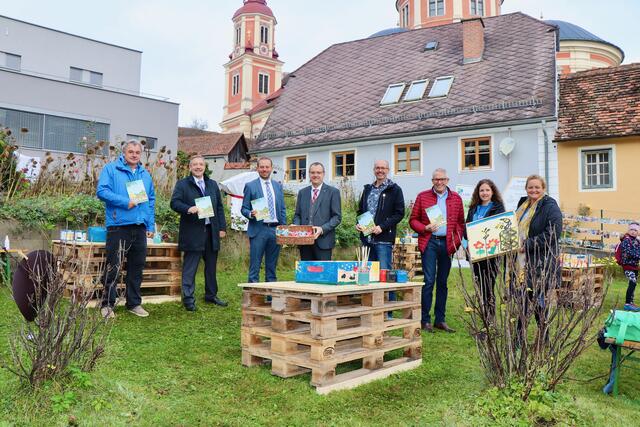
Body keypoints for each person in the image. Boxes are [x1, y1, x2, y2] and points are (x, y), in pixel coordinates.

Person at [96, 140, 155, 319]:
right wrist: (124, 202)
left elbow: (150, 201)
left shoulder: (145, 174)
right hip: (118, 225)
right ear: (124, 153)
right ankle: (107, 305)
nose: (134, 154)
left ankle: (134, 303)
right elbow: (102, 191)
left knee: (137, 267)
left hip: (139, 227)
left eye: (138, 152)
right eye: (131, 151)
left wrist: (150, 225)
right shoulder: (111, 169)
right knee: (114, 266)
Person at [409, 168, 465, 333]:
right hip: (430, 242)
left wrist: (455, 241)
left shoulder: (456, 198)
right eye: (436, 179)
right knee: (428, 281)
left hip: (447, 244)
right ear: (432, 181)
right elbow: (412, 220)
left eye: (442, 179)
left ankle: (440, 320)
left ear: (447, 180)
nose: (439, 182)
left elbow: (460, 223)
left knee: (442, 282)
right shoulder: (423, 196)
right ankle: (424, 320)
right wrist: (425, 227)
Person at [170, 155, 227, 311]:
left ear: (204, 167)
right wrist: (188, 208)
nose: (198, 167)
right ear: (190, 167)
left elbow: (220, 208)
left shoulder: (212, 184)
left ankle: (211, 295)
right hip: (193, 231)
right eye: (195, 164)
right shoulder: (183, 184)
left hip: (211, 231)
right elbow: (174, 203)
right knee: (190, 267)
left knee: (211, 267)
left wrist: (222, 228)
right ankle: (188, 298)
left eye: (201, 164)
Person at [514, 174, 562, 343]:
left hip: (541, 262)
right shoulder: (523, 204)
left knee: (534, 299)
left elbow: (553, 234)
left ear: (543, 188)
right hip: (521, 261)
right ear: (526, 188)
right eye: (530, 187)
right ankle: (533, 337)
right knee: (525, 298)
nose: (533, 190)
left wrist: (527, 244)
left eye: (537, 187)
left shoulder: (550, 205)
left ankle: (527, 338)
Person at [356, 160, 405, 309]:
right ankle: (371, 308)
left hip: (383, 239)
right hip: (367, 239)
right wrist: (358, 223)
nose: (380, 170)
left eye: (383, 168)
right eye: (377, 168)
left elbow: (399, 213)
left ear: (388, 170)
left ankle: (388, 310)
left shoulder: (395, 189)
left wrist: (382, 227)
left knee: (385, 275)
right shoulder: (367, 189)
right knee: (367, 275)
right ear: (374, 170)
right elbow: (360, 210)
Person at [241, 157, 287, 283]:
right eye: (262, 167)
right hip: (258, 229)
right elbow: (244, 208)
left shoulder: (277, 186)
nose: (264, 169)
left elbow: (282, 208)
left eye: (267, 167)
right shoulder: (250, 186)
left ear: (271, 168)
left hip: (275, 230)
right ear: (257, 168)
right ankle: (254, 296)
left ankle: (271, 297)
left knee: (272, 266)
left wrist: (284, 229)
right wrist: (250, 213)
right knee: (255, 265)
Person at [465, 179, 505, 319]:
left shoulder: (498, 207)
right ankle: (483, 314)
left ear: (492, 191)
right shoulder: (473, 208)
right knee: (479, 286)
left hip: (491, 254)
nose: (485, 193)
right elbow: (466, 230)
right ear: (478, 192)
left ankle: (490, 318)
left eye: (487, 190)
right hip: (476, 254)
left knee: (488, 286)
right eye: (482, 190)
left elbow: (499, 227)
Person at [292, 162, 342, 261]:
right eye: (313, 172)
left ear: (323, 174)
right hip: (304, 241)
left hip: (324, 242)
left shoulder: (333, 192)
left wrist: (322, 229)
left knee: (323, 275)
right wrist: (296, 226)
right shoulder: (302, 192)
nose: (315, 175)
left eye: (318, 172)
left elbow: (337, 217)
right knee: (306, 274)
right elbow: (297, 215)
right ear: (309, 174)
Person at [618, 222, 640, 312]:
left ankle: (631, 303)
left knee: (633, 284)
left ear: (638, 232)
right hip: (627, 265)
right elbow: (628, 253)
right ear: (628, 230)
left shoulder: (637, 241)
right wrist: (638, 255)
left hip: (635, 266)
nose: (633, 232)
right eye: (631, 229)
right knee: (632, 282)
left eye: (635, 230)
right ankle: (627, 304)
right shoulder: (626, 240)